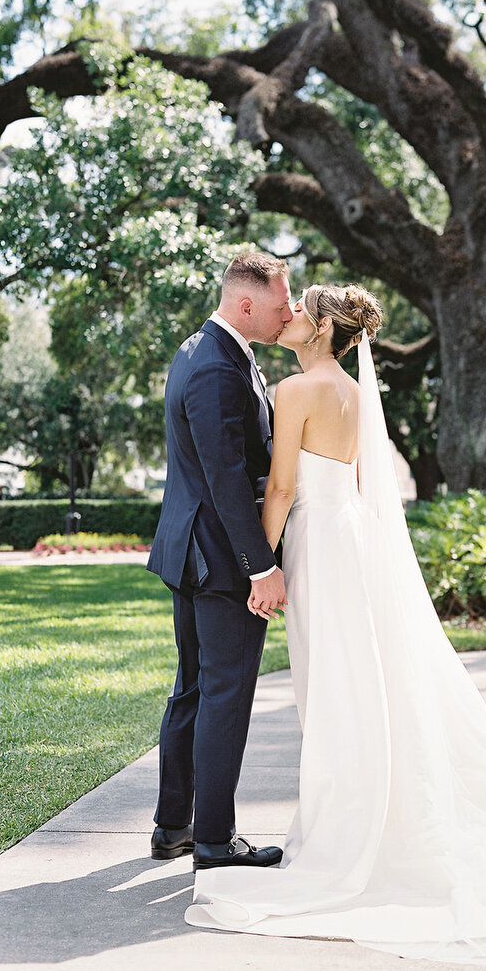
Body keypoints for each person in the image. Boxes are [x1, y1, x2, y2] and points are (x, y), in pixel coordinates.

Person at [183, 283, 486, 963]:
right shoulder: (358, 397)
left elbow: (279, 489)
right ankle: (364, 813)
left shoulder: (297, 392)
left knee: (333, 691)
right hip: (350, 544)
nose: (292, 313)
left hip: (318, 548)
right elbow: (358, 487)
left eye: (304, 308)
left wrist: (260, 571)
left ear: (327, 328)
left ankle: (345, 834)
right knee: (363, 684)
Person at [146, 251, 293, 872]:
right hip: (219, 561)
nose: (291, 312)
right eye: (283, 302)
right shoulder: (214, 368)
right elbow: (226, 478)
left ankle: (173, 828)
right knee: (223, 695)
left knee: (196, 690)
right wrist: (260, 566)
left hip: (192, 552)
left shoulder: (206, 350)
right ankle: (213, 839)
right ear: (248, 304)